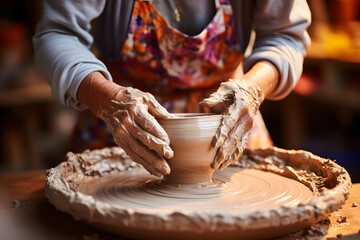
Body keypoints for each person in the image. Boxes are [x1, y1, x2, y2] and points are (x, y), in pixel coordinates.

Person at [33, 0, 311, 177]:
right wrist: (107, 98)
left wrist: (252, 89)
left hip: (231, 122)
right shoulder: (115, 109)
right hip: (122, 126)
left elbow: (286, 35)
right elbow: (58, 33)